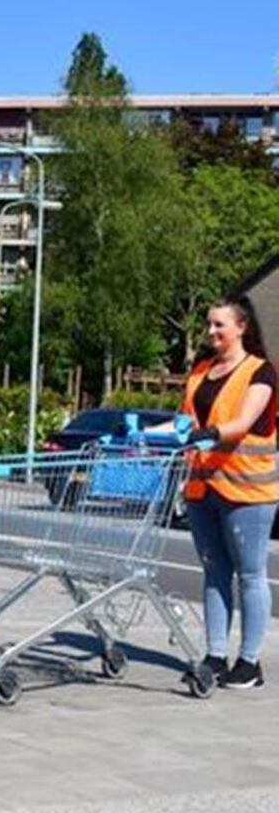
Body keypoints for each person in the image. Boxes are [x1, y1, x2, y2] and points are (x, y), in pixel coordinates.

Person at [179, 295, 279, 690]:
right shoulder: (201, 370)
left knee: (250, 574)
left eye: (219, 325)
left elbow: (242, 422)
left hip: (247, 489)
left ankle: (250, 663)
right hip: (202, 486)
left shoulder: (261, 372)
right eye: (209, 324)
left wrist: (208, 435)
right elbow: (184, 419)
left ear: (242, 327)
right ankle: (215, 655)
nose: (211, 332)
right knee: (214, 571)